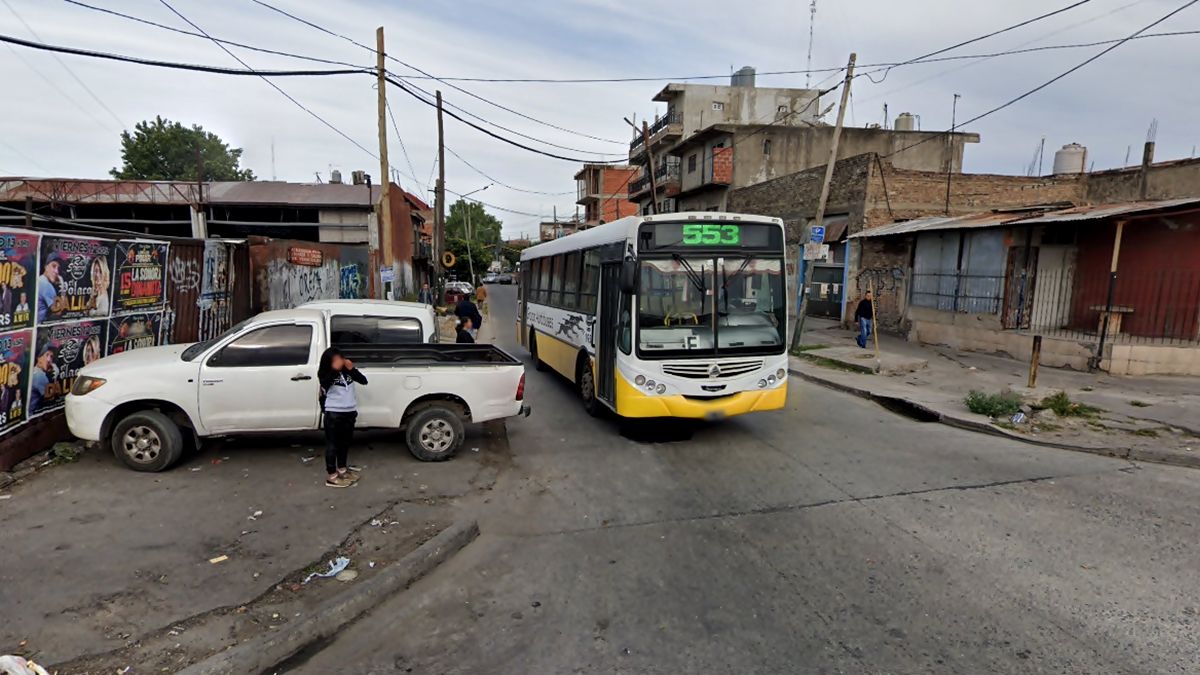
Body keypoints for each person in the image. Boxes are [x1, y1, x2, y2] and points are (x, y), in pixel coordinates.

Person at [318, 347, 367, 488]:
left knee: (344, 443)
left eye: (340, 358)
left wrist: (352, 369)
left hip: (350, 411)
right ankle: (332, 476)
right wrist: (334, 370)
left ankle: (342, 470)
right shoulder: (325, 373)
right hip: (334, 413)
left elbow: (364, 381)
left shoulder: (347, 372)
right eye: (336, 360)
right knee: (332, 445)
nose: (340, 361)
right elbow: (325, 384)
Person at [29, 346, 55, 413]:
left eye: (51, 356)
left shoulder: (34, 371)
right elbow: (51, 398)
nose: (49, 360)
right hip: (34, 417)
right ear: (39, 358)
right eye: (47, 355)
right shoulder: (39, 375)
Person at [36, 256, 61, 323]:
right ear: (46, 267)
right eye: (53, 266)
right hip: (40, 327)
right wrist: (63, 286)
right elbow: (58, 312)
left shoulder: (39, 279)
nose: (56, 271)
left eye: (58, 268)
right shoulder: (46, 285)